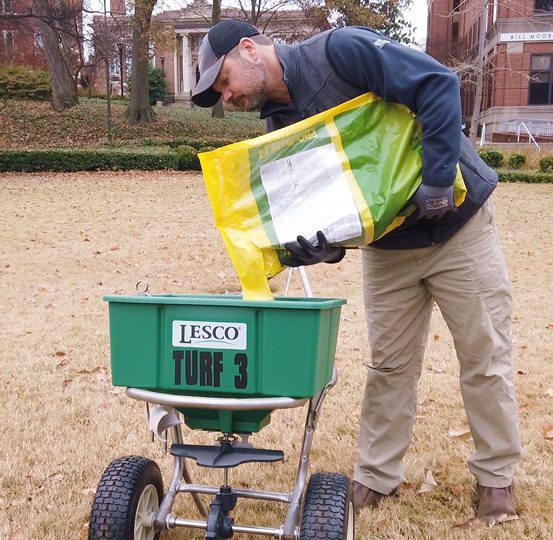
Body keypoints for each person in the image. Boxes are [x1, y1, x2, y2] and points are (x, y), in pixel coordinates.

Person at [191, 20, 522, 525]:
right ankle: (377, 475)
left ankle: (497, 482)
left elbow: (438, 84)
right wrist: (319, 250)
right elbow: (328, 212)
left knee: (484, 355)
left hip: (457, 224)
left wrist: (436, 179)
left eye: (224, 80)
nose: (227, 95)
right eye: (219, 91)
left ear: (248, 48)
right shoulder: (279, 130)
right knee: (389, 365)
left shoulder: (341, 51)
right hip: (388, 247)